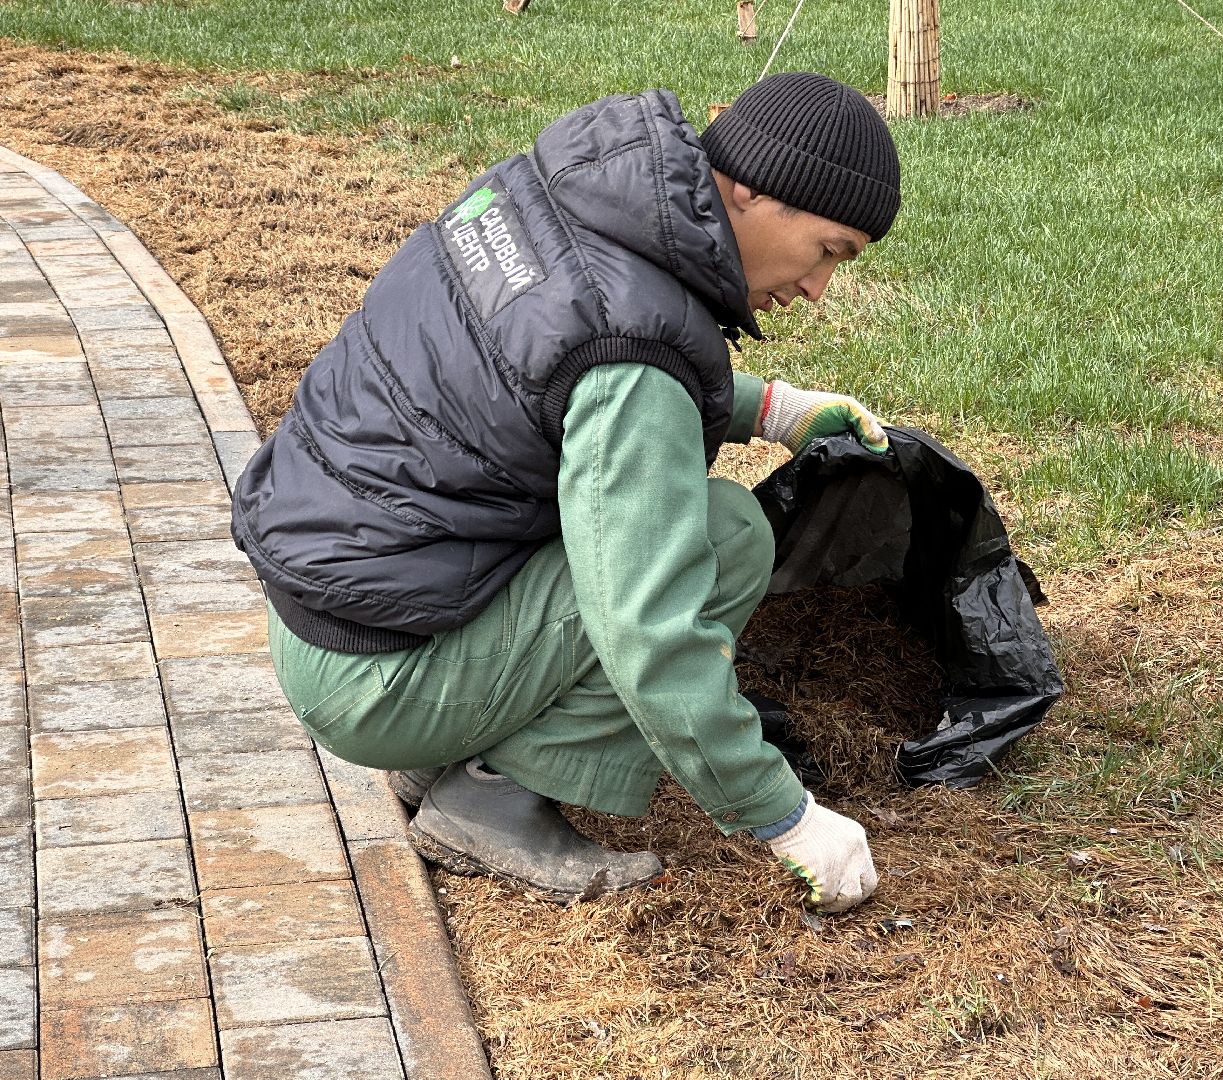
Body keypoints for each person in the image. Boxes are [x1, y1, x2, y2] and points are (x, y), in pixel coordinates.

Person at [231, 71, 901, 913]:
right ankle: (489, 798)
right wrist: (787, 818)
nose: (817, 289)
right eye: (828, 251)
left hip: (338, 615)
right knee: (723, 536)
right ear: (748, 189)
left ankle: (447, 745)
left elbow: (546, 361)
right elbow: (646, 629)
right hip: (376, 680)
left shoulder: (564, 193)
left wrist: (772, 409)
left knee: (634, 521)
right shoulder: (632, 353)